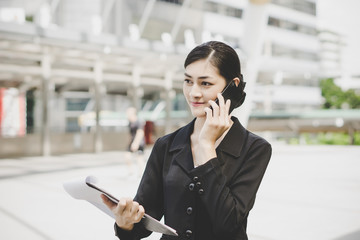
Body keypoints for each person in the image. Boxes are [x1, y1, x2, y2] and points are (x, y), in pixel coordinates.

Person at [102, 41, 272, 240]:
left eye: (205, 83)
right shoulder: (166, 145)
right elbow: (145, 222)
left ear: (232, 86)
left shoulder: (254, 148)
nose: (194, 93)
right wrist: (126, 223)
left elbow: (228, 224)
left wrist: (206, 146)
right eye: (188, 81)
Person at [125, 107, 145, 178]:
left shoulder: (138, 121)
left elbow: (140, 132)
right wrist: (130, 142)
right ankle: (131, 172)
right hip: (132, 142)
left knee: (139, 158)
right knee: (127, 156)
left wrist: (136, 143)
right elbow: (130, 134)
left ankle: (141, 173)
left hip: (139, 142)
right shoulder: (130, 122)